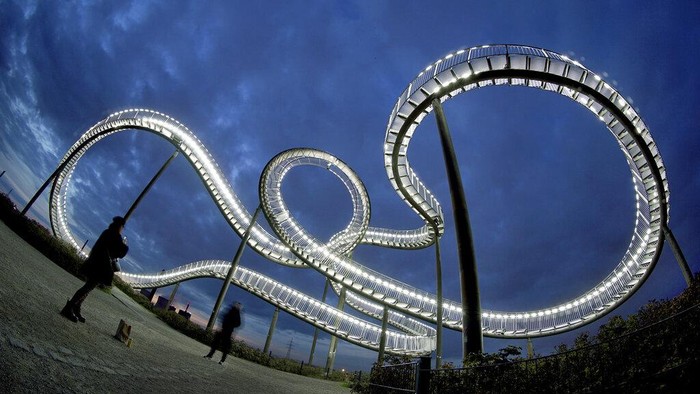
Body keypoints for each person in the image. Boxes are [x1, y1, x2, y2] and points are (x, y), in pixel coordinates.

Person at [60, 216, 129, 323]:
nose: (122, 229)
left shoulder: (107, 232)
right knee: (88, 287)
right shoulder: (115, 236)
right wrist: (125, 246)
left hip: (95, 263)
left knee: (89, 287)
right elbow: (119, 252)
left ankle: (76, 307)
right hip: (101, 266)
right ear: (120, 226)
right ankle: (69, 307)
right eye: (123, 227)